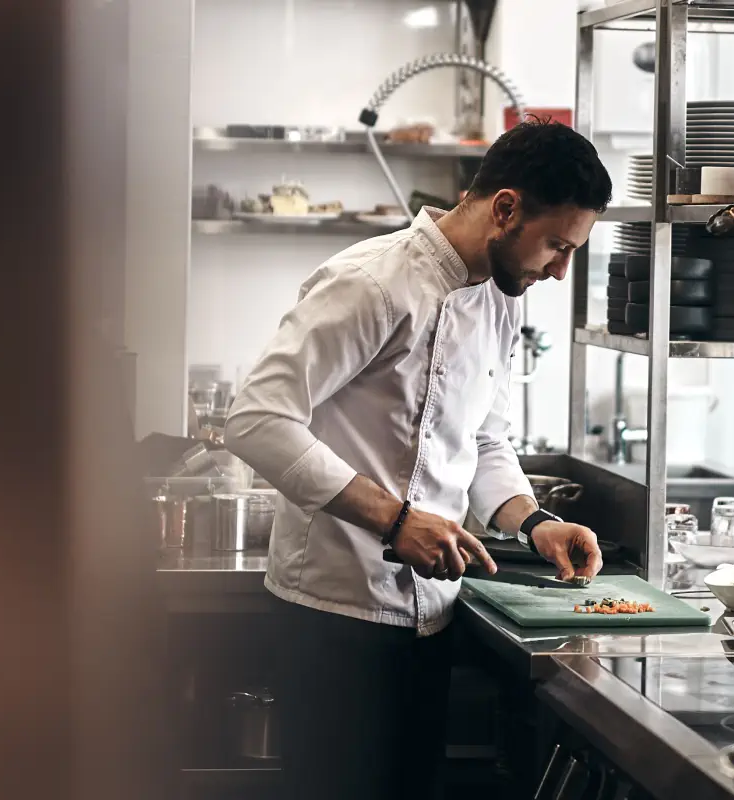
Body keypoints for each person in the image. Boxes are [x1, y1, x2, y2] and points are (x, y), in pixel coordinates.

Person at [224, 119, 613, 800]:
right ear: (505, 209)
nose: (559, 271)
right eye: (557, 246)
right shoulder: (370, 283)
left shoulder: (500, 300)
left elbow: (483, 439)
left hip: (433, 617)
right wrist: (397, 520)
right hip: (334, 615)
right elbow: (257, 419)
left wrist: (534, 523)